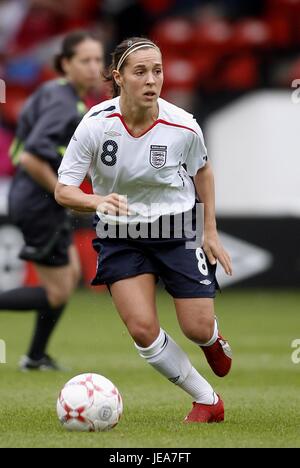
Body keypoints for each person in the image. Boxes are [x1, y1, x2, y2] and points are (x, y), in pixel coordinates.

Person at [55, 37, 233, 422]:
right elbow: (63, 190)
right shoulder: (95, 125)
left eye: (158, 70)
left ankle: (212, 338)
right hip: (120, 233)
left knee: (196, 327)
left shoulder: (182, 125)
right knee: (142, 329)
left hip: (177, 227)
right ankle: (207, 400)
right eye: (141, 72)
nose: (152, 80)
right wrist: (95, 202)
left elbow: (202, 169)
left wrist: (210, 230)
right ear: (119, 77)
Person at [0, 30, 104, 370]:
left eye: (97, 60)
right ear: (65, 64)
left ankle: (35, 356)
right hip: (38, 201)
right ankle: (34, 357)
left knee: (70, 273)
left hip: (38, 199)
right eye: (84, 61)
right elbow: (31, 158)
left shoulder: (56, 93)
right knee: (57, 291)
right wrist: (65, 194)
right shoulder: (63, 104)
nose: (93, 67)